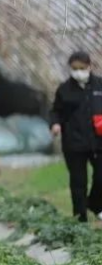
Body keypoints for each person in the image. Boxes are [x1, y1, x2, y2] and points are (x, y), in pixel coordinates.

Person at [50, 51, 102, 222]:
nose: (78, 72)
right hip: (74, 142)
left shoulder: (99, 85)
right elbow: (55, 111)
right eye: (74, 69)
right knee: (78, 182)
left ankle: (95, 203)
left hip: (98, 140)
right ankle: (80, 218)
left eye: (82, 68)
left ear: (90, 66)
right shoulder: (64, 90)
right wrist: (55, 124)